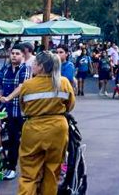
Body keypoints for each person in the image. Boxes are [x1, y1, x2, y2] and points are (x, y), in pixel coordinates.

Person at [18, 51, 76, 195]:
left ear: (41, 66)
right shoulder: (63, 82)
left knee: (29, 174)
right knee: (52, 171)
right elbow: (70, 105)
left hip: (33, 129)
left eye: (35, 63)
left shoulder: (28, 85)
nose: (32, 65)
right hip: (58, 129)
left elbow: (23, 107)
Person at [0, 43, 32, 180]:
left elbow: (22, 87)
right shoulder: (5, 69)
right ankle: (7, 166)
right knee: (8, 139)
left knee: (22, 140)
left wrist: (8, 97)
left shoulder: (25, 69)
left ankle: (17, 167)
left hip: (20, 111)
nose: (14, 56)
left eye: (17, 54)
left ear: (23, 56)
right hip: (5, 110)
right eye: (13, 53)